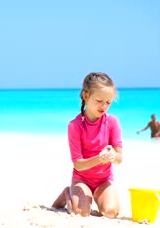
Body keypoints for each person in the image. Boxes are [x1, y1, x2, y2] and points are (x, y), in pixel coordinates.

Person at [51, 72, 123, 218]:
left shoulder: (112, 122)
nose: (104, 106)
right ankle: (68, 193)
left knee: (111, 212)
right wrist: (99, 159)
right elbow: (78, 164)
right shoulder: (75, 125)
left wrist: (112, 156)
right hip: (81, 179)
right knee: (81, 213)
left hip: (104, 180)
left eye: (108, 102)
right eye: (99, 101)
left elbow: (120, 158)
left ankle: (95, 196)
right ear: (85, 96)